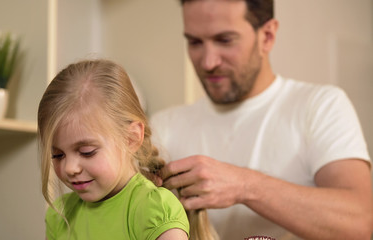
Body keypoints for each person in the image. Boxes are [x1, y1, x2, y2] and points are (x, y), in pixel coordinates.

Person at [150, 0, 373, 239]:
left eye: (225, 40)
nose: (208, 62)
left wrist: (245, 185)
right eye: (194, 42)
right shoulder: (163, 126)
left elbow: (361, 222)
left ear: (267, 36)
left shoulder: (320, 106)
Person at [37, 59, 190, 240]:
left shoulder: (154, 211)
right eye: (57, 155)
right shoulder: (60, 216)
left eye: (87, 152)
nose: (69, 168)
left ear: (131, 139)